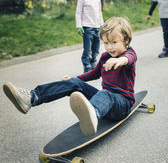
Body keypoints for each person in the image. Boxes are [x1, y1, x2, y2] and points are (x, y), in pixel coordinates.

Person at [3, 17, 137, 137]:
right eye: (106, 43)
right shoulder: (104, 58)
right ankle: (32, 98)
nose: (109, 47)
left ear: (125, 40)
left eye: (114, 42)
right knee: (75, 83)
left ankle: (93, 115)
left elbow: (129, 59)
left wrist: (120, 61)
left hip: (122, 105)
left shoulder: (129, 54)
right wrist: (74, 80)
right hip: (104, 103)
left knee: (105, 94)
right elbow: (93, 74)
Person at [76, 0, 104, 73]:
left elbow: (99, 13)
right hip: (87, 28)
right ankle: (86, 65)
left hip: (97, 28)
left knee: (96, 48)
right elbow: (78, 13)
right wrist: (79, 26)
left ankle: (93, 62)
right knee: (87, 50)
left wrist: (102, 25)